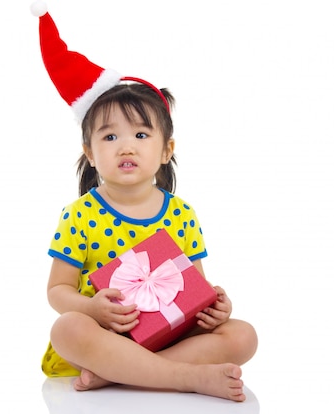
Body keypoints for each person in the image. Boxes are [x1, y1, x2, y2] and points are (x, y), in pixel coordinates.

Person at [31, 1, 257, 402]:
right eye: (109, 136)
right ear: (89, 150)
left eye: (140, 135)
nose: (125, 147)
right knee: (66, 328)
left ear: (166, 149)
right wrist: (93, 309)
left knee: (243, 334)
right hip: (102, 338)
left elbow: (195, 286)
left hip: (168, 335)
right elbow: (57, 291)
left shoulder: (181, 212)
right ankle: (182, 377)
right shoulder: (81, 214)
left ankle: (121, 374)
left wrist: (216, 307)